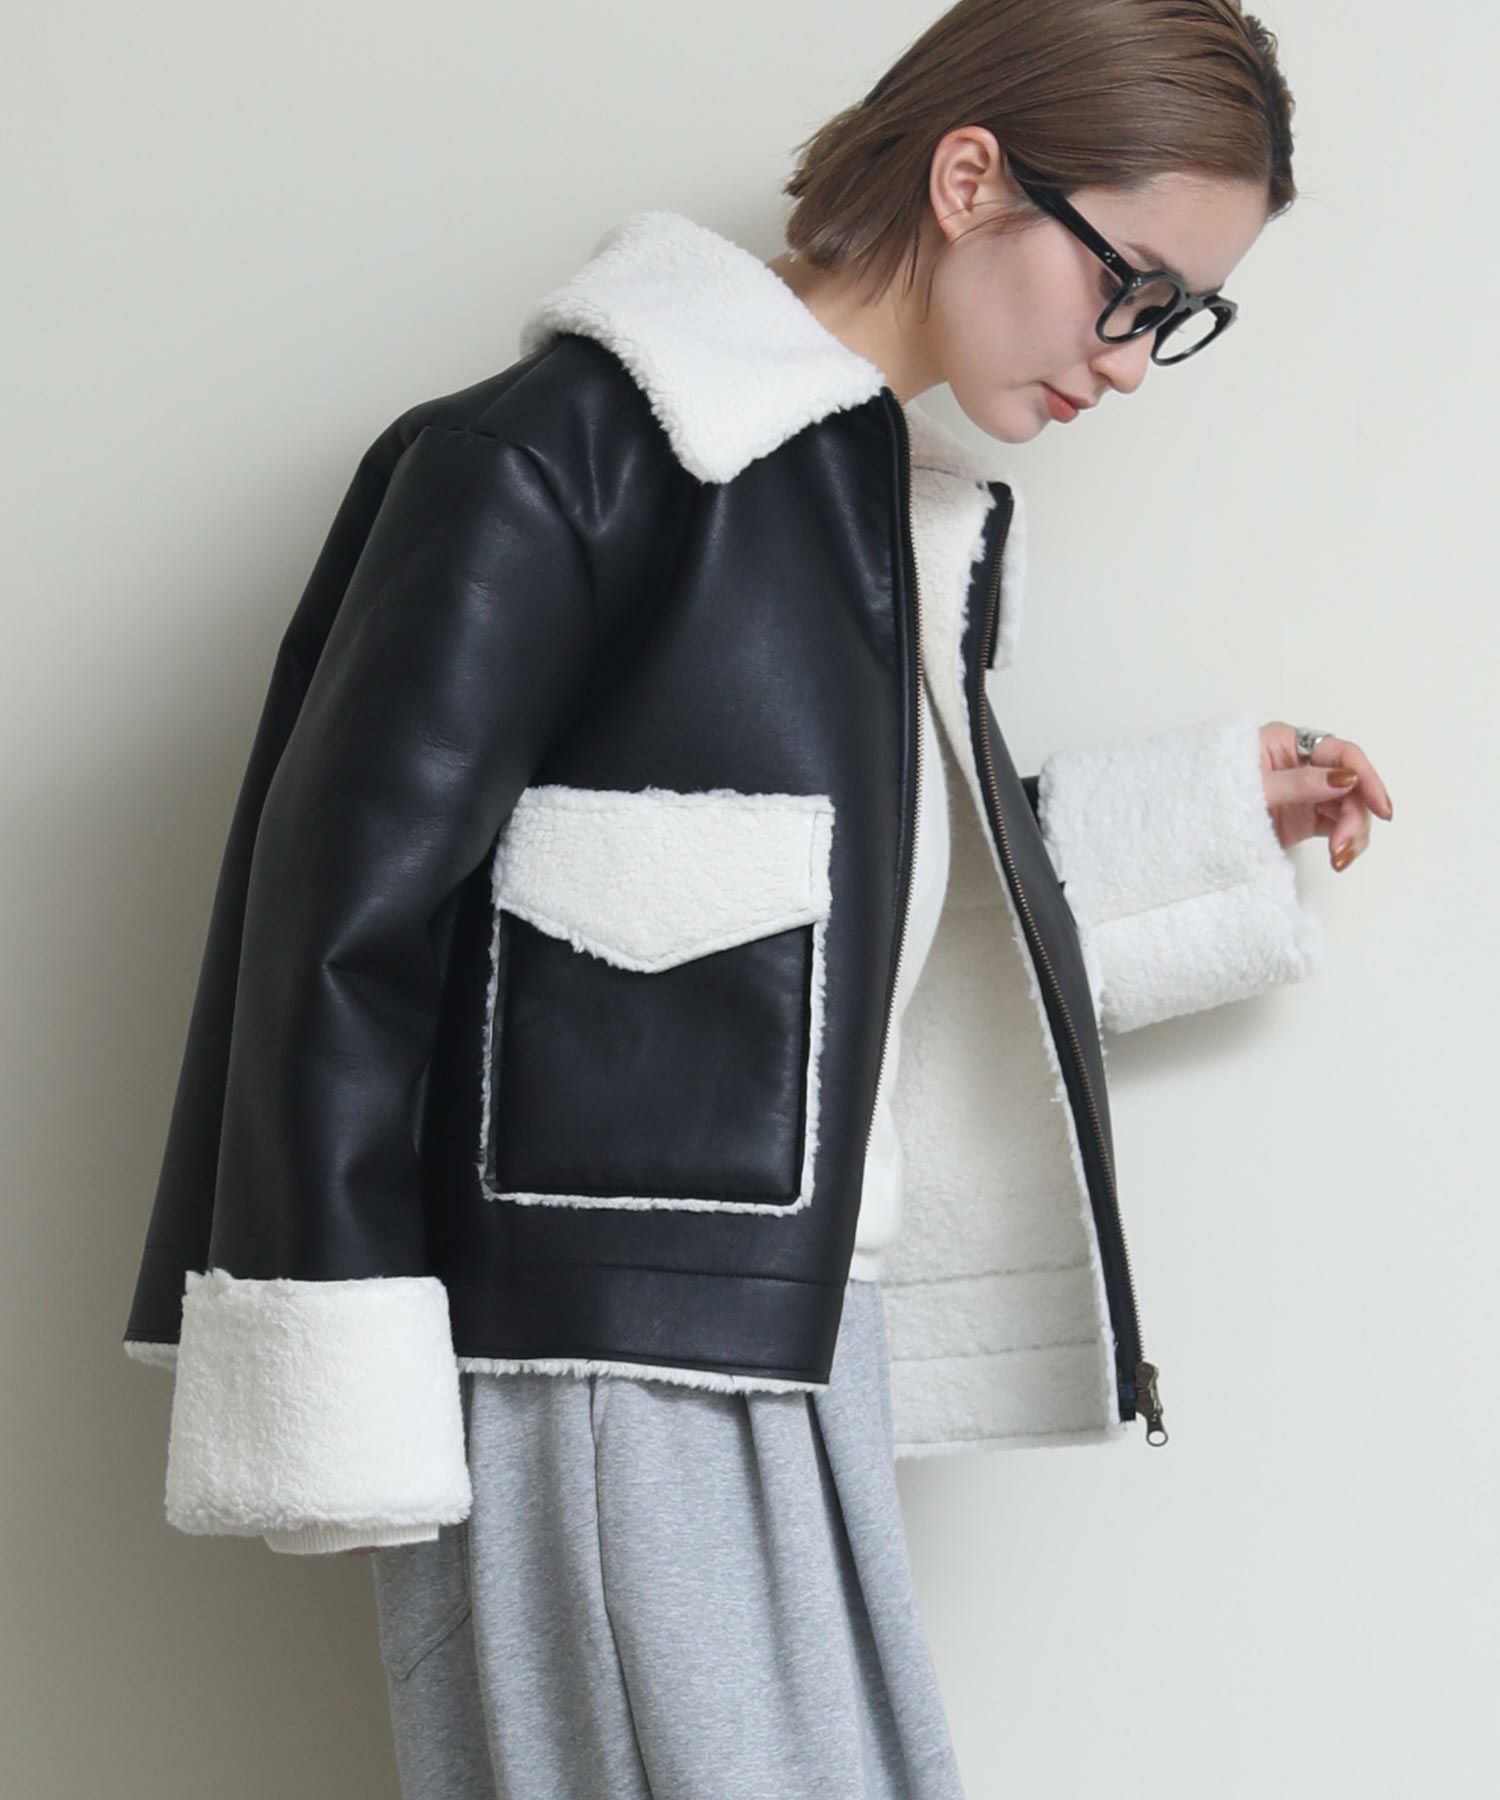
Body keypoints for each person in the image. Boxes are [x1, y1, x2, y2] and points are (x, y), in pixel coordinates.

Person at [121, 2, 1394, 1795]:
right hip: (601, 1343)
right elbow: (335, 922)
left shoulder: (862, 511)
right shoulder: (571, 454)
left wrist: (1201, 821)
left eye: (1179, 319)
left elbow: (828, 931)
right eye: (1132, 288)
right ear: (972, 178)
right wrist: (330, 1337)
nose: (1131, 362)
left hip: (779, 1323)